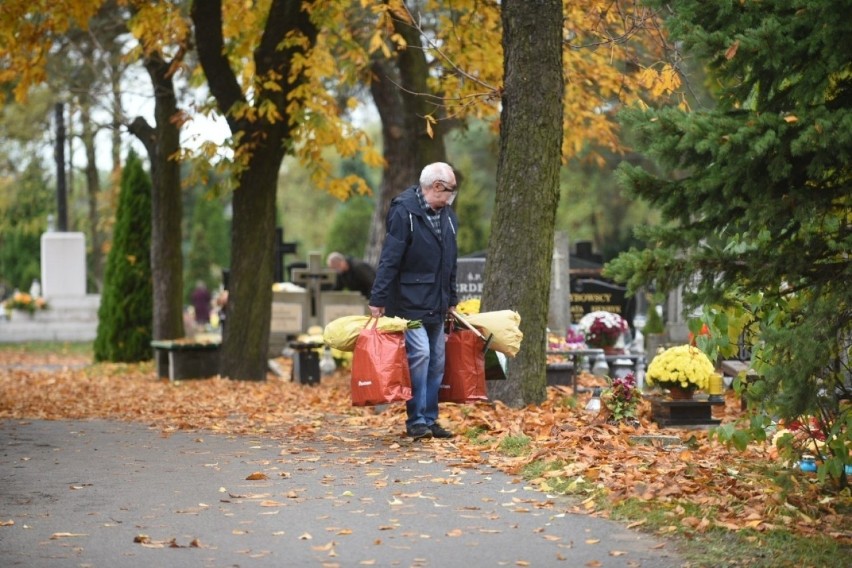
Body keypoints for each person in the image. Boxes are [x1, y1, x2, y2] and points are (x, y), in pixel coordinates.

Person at [369, 162, 459, 440]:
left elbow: (450, 260)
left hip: (437, 300)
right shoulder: (404, 211)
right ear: (436, 187)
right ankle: (416, 419)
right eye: (450, 190)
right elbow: (390, 257)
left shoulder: (447, 215)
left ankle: (430, 419)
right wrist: (378, 298)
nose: (452, 196)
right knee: (420, 355)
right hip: (409, 301)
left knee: (437, 362)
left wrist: (452, 299)